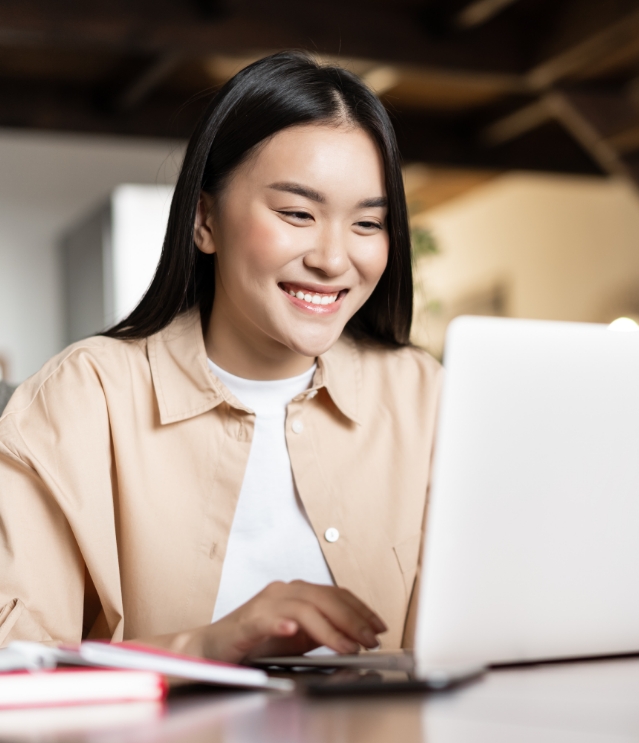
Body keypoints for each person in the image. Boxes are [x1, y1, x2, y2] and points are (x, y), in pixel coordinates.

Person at [0, 52, 442, 663]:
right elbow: (14, 664)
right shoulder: (84, 398)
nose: (334, 259)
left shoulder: (423, 395)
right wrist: (202, 647)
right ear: (204, 219)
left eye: (368, 224)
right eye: (297, 214)